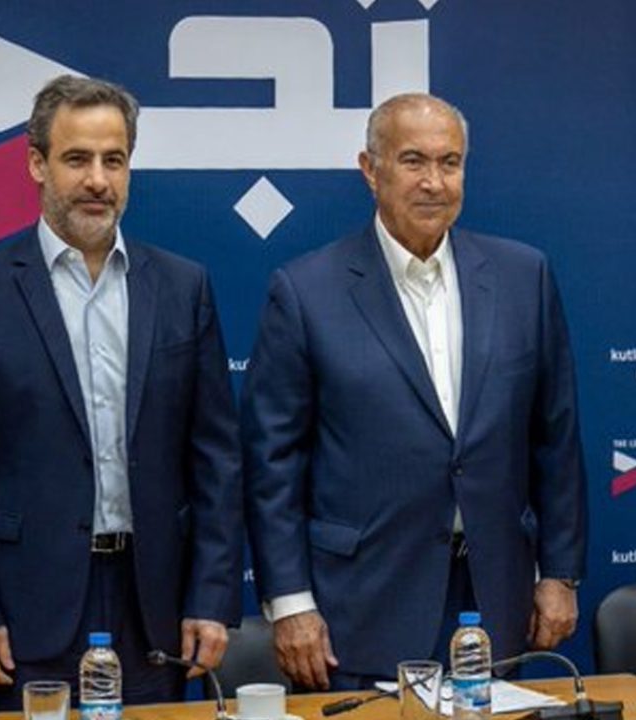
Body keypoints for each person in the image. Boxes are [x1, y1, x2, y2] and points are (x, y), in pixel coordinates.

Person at [241, 93, 587, 690]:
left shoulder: (522, 276)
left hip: (495, 599)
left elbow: (555, 439)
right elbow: (273, 463)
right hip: (361, 607)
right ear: (370, 170)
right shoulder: (305, 291)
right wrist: (291, 602)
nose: (434, 182)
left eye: (450, 162)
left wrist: (559, 573)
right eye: (413, 161)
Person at [0, 75, 243, 707]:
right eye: (77, 159)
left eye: (113, 160)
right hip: (27, 608)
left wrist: (211, 595)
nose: (98, 180)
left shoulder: (183, 287)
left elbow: (217, 460)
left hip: (155, 605)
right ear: (36, 164)